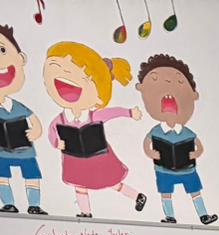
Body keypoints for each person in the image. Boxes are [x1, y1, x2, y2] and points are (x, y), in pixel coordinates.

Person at [42, 41, 147, 217]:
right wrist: (56, 143)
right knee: (79, 186)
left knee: (113, 183)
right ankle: (86, 213)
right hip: (74, 159)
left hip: (98, 158)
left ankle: (138, 196)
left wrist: (129, 112)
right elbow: (51, 131)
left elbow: (112, 113)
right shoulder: (60, 119)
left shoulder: (94, 115)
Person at [136, 54, 215, 224]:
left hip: (187, 169)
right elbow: (146, 142)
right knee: (166, 193)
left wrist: (196, 153)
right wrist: (150, 152)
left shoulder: (187, 132)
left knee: (195, 191)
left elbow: (199, 145)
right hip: (164, 169)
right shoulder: (157, 130)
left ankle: (203, 215)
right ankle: (170, 216)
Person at [0, 25, 47, 215]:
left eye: (2, 50)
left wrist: (35, 131)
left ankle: (34, 204)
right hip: (1, 151)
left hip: (25, 149)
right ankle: (8, 203)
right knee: (2, 175)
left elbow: (34, 120)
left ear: (21, 59)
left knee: (31, 174)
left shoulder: (18, 106)